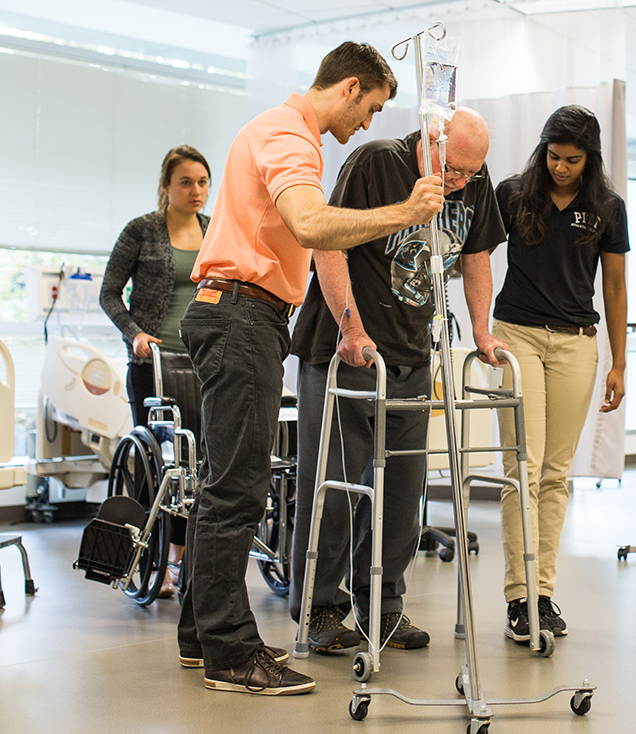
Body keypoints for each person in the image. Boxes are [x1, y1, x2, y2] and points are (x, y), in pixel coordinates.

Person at [176, 41, 444, 697]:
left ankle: (200, 634)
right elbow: (310, 223)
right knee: (239, 491)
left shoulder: (280, 133)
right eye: (373, 106)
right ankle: (230, 654)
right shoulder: (290, 136)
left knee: (223, 484)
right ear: (349, 88)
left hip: (240, 312)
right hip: (244, 314)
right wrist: (407, 213)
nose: (370, 123)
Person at [288, 107, 506, 654]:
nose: (458, 182)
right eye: (451, 169)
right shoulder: (376, 163)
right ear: (432, 140)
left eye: (468, 175)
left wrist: (482, 330)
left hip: (411, 354)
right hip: (346, 350)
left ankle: (382, 609)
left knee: (401, 495)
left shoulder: (473, 183)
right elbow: (327, 243)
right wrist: (351, 327)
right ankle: (319, 609)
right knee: (334, 488)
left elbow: (476, 257)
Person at [491, 104, 627, 644]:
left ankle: (542, 593)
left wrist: (619, 361)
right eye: (553, 156)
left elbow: (614, 287)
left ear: (589, 159)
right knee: (519, 466)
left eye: (572, 160)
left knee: (555, 473)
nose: (560, 167)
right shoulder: (513, 194)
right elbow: (476, 257)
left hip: (577, 344)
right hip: (517, 335)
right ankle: (518, 596)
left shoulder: (608, 208)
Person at [99, 144, 211, 599]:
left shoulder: (214, 228)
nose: (196, 190)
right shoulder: (142, 230)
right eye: (186, 182)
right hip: (153, 366)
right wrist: (135, 333)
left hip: (203, 363)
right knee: (157, 467)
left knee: (194, 465)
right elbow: (109, 293)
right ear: (166, 186)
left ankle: (184, 560)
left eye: (203, 181)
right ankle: (153, 560)